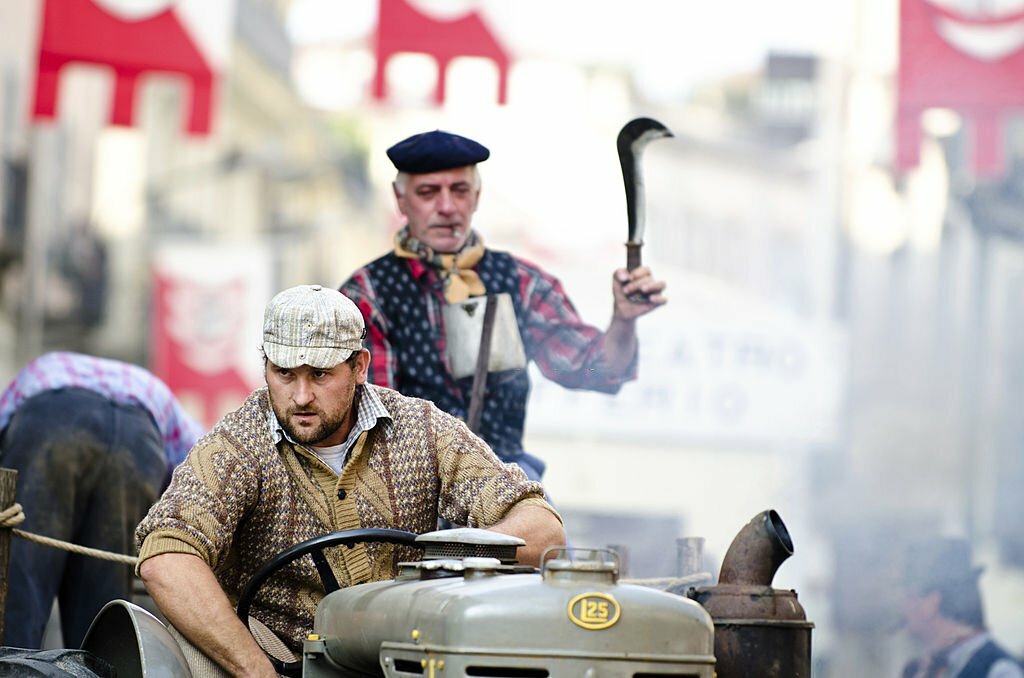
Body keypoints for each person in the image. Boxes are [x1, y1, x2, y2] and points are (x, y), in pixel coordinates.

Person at [135, 284, 564, 677]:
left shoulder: (423, 429)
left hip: (404, 650)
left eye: (319, 374)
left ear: (359, 366)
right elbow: (167, 556)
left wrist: (449, 558)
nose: (301, 396)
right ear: (266, 366)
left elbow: (543, 530)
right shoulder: (237, 445)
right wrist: (258, 671)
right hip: (278, 655)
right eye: (285, 373)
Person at [340, 130, 667, 481]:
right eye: (428, 192)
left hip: (503, 479)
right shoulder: (367, 295)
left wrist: (623, 320)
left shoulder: (522, 283)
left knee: (549, 534)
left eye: (460, 191)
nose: (447, 207)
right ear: (401, 200)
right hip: (405, 485)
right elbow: (371, 421)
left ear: (477, 196)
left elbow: (596, 369)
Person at [0, 351, 203, 649]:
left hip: (53, 421)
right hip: (136, 443)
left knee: (21, 584)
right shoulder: (154, 388)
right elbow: (197, 468)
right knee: (101, 609)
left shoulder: (47, 365)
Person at [901, 537, 1024, 678]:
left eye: (910, 596)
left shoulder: (999, 671)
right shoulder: (922, 669)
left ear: (932, 602)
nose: (904, 606)